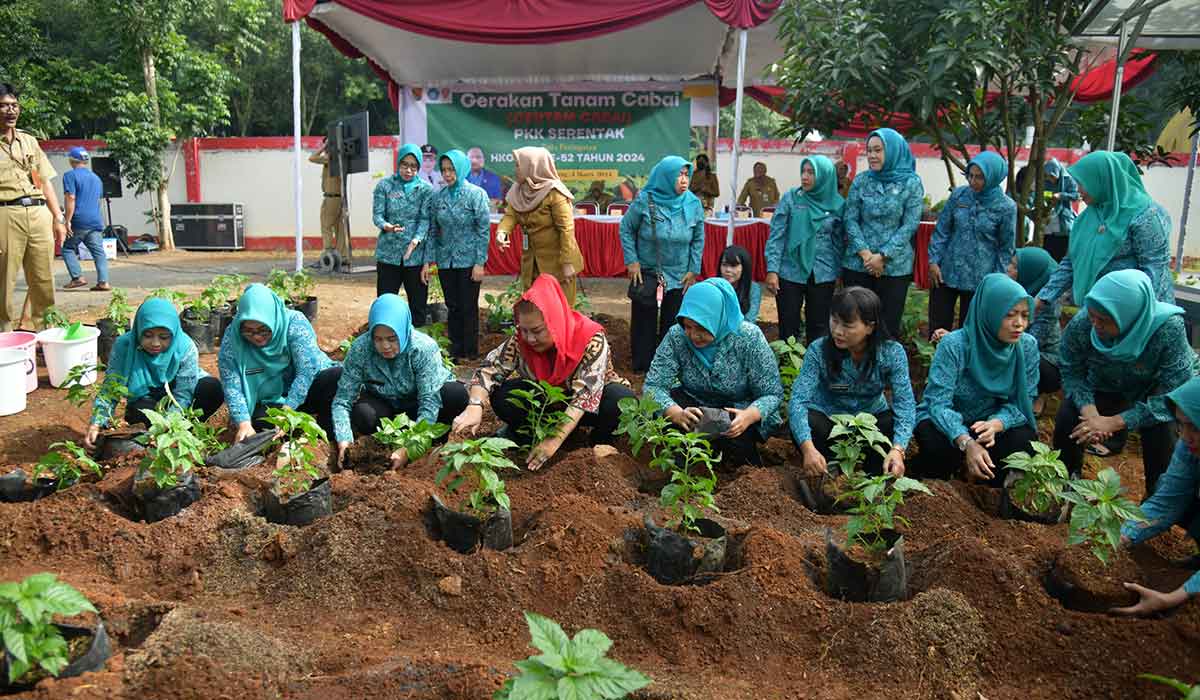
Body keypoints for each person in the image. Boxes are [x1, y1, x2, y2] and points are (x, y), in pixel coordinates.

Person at [452, 274, 635, 470]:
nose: (530, 338)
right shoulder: (520, 341)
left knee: (620, 399)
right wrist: (475, 405)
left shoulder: (591, 339)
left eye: (537, 331)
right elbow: (489, 370)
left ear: (555, 322)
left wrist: (553, 441)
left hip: (589, 407)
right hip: (549, 403)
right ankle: (528, 436)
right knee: (504, 395)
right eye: (524, 330)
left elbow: (584, 397)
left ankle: (596, 444)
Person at [1053, 269, 1192, 495]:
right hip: (1103, 384)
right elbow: (1071, 368)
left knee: (1162, 431)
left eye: (1105, 320)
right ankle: (1067, 486)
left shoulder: (1168, 329)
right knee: (1069, 416)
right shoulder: (1083, 323)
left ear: (1131, 316)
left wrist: (1115, 422)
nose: (1096, 324)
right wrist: (1090, 413)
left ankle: (1156, 500)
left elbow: (1173, 394)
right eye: (1092, 316)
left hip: (1150, 391)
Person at [911, 274, 1038, 485]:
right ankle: (935, 474)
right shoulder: (955, 345)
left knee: (1023, 440)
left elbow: (1026, 399)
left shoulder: (1026, 347)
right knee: (937, 447)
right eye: (1010, 315)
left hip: (990, 423)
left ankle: (984, 483)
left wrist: (998, 423)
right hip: (949, 421)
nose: (1019, 324)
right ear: (990, 313)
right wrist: (966, 442)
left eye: (1025, 316)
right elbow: (938, 403)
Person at [644, 277, 784, 466]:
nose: (693, 335)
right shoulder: (677, 336)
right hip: (694, 407)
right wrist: (676, 413)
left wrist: (748, 416)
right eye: (688, 326)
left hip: (737, 410)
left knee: (739, 459)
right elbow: (654, 385)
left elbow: (772, 393)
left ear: (719, 319)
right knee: (680, 451)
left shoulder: (748, 338)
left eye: (701, 328)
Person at [789, 286, 915, 476]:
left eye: (847, 325)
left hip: (871, 423)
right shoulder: (819, 351)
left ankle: (875, 478)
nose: (838, 331)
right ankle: (826, 471)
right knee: (807, 420)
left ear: (870, 327)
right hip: (829, 422)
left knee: (890, 422)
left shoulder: (891, 353)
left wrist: (898, 450)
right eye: (834, 321)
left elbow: (905, 405)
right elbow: (798, 401)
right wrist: (808, 448)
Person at [331, 294, 467, 468]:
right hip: (388, 407)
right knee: (364, 415)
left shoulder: (422, 348)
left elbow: (429, 402)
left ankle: (432, 440)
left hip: (420, 404)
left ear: (403, 331)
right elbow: (342, 400)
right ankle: (389, 440)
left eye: (392, 339)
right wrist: (344, 441)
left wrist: (409, 449)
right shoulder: (361, 349)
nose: (385, 346)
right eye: (378, 339)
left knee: (455, 395)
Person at [1036, 150, 1173, 309]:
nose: (1078, 190)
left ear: (1103, 181)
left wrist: (1131, 318)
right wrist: (1043, 298)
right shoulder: (1089, 216)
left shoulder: (1147, 217)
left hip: (1135, 314)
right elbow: (1071, 261)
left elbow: (1155, 272)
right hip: (1099, 311)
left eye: (1082, 183)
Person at [82, 298, 224, 449]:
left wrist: (168, 426)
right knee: (140, 413)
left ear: (173, 334)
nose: (155, 343)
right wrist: (97, 422)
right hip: (147, 395)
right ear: (138, 330)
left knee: (211, 388)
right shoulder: (124, 345)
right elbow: (111, 387)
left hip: (179, 396)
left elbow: (183, 395)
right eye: (148, 335)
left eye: (164, 337)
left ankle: (186, 431)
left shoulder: (185, 347)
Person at [1112, 377, 1200, 617]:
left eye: (1195, 426)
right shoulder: (1190, 446)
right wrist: (1122, 535)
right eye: (1181, 425)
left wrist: (1173, 597)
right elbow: (1168, 500)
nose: (1185, 436)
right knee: (1171, 489)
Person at [219, 284, 342, 443]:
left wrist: (288, 412)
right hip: (274, 399)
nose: (257, 337)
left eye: (264, 330)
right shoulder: (233, 336)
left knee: (335, 377)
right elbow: (231, 384)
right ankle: (297, 432)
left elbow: (306, 372)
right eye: (249, 330)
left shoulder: (294, 323)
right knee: (260, 422)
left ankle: (325, 436)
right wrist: (243, 423)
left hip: (310, 388)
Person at [619, 155, 705, 373]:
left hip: (679, 275)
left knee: (674, 323)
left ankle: (668, 368)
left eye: (687, 175)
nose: (684, 180)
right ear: (666, 177)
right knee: (644, 321)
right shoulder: (645, 200)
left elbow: (698, 238)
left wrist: (693, 269)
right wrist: (632, 261)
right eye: (679, 175)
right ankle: (642, 366)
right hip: (648, 272)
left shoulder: (693, 204)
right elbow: (626, 229)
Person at [841, 128, 924, 339]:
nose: (872, 155)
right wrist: (866, 255)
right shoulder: (861, 181)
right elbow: (850, 218)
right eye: (869, 150)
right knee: (853, 323)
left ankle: (884, 370)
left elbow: (910, 224)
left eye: (878, 150)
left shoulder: (911, 183)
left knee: (886, 328)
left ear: (893, 151)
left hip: (894, 266)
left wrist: (883, 256)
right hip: (858, 263)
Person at [0, 83, 67, 332]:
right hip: (5, 213)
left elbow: (45, 182)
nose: (10, 110)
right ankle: (3, 337)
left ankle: (43, 334)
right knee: (3, 280)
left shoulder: (28, 141)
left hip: (38, 212)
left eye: (14, 105)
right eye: (4, 105)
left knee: (43, 279)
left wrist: (58, 218)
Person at [927, 151, 1017, 336]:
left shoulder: (1006, 207)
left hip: (980, 279)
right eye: (970, 176)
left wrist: (996, 282)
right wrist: (934, 261)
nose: (973, 182)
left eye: (980, 177)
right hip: (947, 271)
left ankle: (965, 364)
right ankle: (936, 361)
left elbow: (1005, 248)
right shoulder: (959, 196)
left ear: (993, 178)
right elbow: (942, 230)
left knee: (970, 331)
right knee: (937, 326)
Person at [764, 155, 845, 344]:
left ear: (824, 176)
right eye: (803, 171)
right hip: (790, 271)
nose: (805, 177)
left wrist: (840, 272)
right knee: (788, 326)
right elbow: (777, 236)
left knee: (819, 327)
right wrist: (772, 270)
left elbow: (840, 241)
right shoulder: (791, 198)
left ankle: (815, 368)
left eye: (811, 172)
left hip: (823, 272)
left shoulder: (838, 205)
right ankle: (787, 369)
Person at [496, 147, 585, 305]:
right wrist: (502, 232)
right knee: (535, 310)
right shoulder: (518, 190)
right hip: (531, 263)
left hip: (558, 264)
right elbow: (510, 215)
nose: (515, 169)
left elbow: (567, 229)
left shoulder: (554, 192)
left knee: (559, 309)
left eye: (518, 165)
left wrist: (567, 262)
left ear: (532, 166)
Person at [427, 149, 490, 360]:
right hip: (446, 260)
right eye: (444, 170)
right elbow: (433, 231)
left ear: (461, 169)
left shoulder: (476, 194)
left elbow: (483, 230)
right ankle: (455, 350)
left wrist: (480, 262)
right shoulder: (437, 197)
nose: (447, 174)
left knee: (468, 306)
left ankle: (471, 352)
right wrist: (429, 260)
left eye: (451, 170)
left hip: (469, 260)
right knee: (452, 306)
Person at [373, 144, 435, 323]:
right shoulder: (384, 186)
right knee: (385, 303)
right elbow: (377, 215)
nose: (408, 170)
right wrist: (387, 226)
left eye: (414, 166)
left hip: (415, 257)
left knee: (418, 305)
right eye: (405, 165)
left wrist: (415, 241)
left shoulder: (425, 189)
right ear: (398, 163)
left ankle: (417, 344)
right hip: (388, 254)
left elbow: (425, 220)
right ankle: (384, 338)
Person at [1006, 247, 1061, 414]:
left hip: (1046, 363)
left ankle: (1037, 394)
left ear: (1031, 273)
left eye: (1015, 267)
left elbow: (1028, 344)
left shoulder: (1046, 306)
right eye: (1011, 264)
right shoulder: (1015, 292)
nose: (1008, 269)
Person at [60, 147, 110, 292]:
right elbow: (98, 200)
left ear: (71, 160)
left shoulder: (70, 175)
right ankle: (103, 282)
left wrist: (67, 220)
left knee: (68, 249)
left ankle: (77, 278)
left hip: (79, 220)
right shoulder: (96, 178)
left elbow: (71, 198)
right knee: (99, 252)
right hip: (95, 220)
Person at [308, 138, 350, 268]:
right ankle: (342, 256)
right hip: (338, 198)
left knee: (326, 226)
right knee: (339, 227)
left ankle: (328, 255)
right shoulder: (339, 159)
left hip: (331, 198)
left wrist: (324, 147)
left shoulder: (331, 159)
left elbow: (312, 157)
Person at [1040, 158, 1078, 262]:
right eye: (1047, 176)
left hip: (1063, 219)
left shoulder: (1069, 179)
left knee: (1061, 249)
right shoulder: (1046, 181)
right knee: (1048, 247)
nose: (1050, 179)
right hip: (1050, 218)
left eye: (1052, 176)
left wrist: (1061, 195)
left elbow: (1076, 196)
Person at [718, 245, 762, 323]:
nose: (728, 270)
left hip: (741, 331)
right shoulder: (713, 286)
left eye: (733, 266)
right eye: (724, 265)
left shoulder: (753, 289)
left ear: (744, 267)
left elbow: (749, 321)